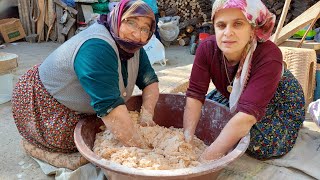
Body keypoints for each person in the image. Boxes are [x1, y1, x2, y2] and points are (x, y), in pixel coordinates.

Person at [12, 0, 159, 170]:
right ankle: (35, 147)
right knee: (75, 141)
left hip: (76, 101)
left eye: (144, 29)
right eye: (131, 22)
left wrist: (147, 116)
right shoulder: (97, 47)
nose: (136, 33)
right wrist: (144, 151)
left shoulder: (133, 48)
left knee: (103, 130)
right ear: (117, 18)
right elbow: (111, 110)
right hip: (43, 101)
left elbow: (150, 82)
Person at [183, 0, 305, 161]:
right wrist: (186, 142)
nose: (227, 32)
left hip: (278, 100)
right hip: (235, 90)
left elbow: (247, 116)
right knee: (208, 119)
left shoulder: (269, 56)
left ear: (253, 29)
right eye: (221, 25)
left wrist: (204, 160)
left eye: (238, 24)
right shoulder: (207, 48)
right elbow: (195, 95)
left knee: (258, 143)